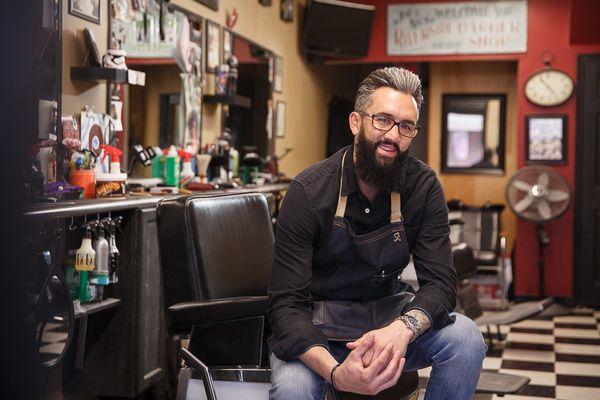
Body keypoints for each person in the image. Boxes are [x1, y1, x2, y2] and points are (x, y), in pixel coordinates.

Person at [267, 67, 487, 399]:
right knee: (293, 388)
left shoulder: (423, 187)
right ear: (356, 122)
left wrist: (402, 328)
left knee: (466, 340)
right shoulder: (309, 193)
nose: (393, 136)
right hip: (318, 327)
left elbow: (441, 285)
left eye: (405, 126)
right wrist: (337, 373)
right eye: (382, 120)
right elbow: (286, 305)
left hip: (389, 321)